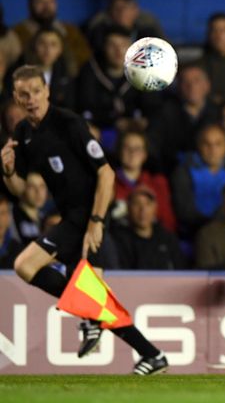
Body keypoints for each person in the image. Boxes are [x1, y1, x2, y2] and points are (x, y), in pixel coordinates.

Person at [1, 65, 167, 374]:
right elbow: (21, 190)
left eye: (36, 91)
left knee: (27, 266)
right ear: (16, 97)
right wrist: (8, 171)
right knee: (94, 299)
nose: (31, 99)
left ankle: (141, 348)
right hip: (71, 218)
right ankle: (151, 354)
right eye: (24, 94)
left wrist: (96, 221)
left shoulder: (69, 123)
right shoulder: (24, 133)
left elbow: (106, 173)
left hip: (89, 216)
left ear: (47, 91)